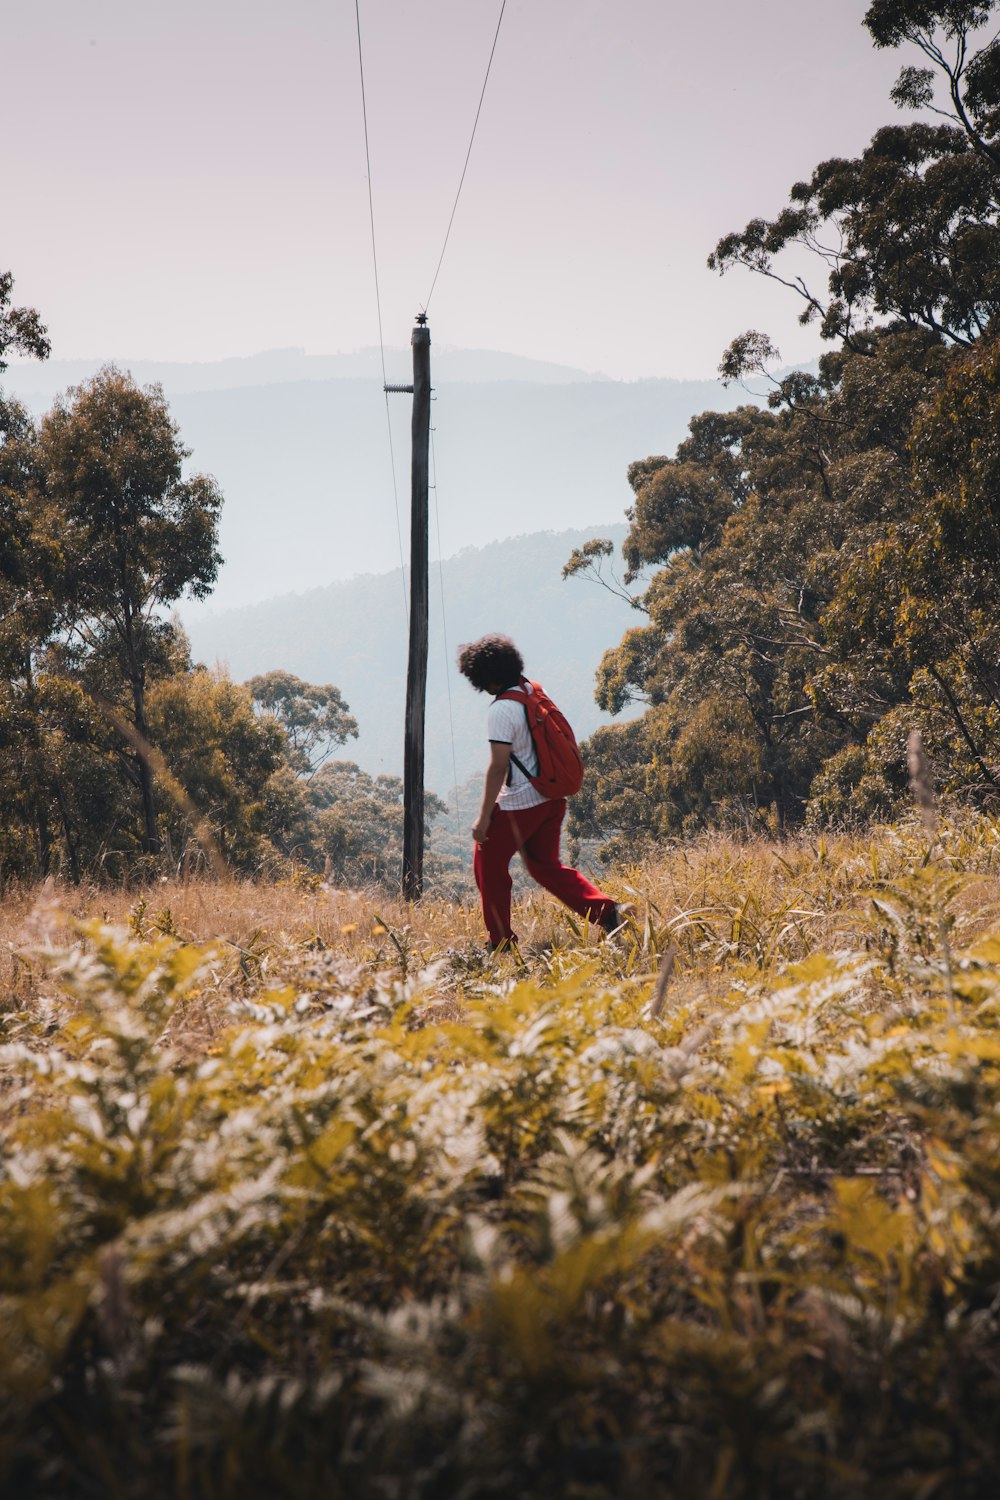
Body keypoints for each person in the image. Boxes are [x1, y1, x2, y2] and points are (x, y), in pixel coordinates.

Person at [457, 633, 618, 949]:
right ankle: (609, 913)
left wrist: (483, 818)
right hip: (552, 799)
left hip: (520, 804)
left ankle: (501, 943)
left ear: (485, 678)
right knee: (545, 867)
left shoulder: (501, 710)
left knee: (487, 868)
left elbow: (498, 767)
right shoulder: (533, 691)